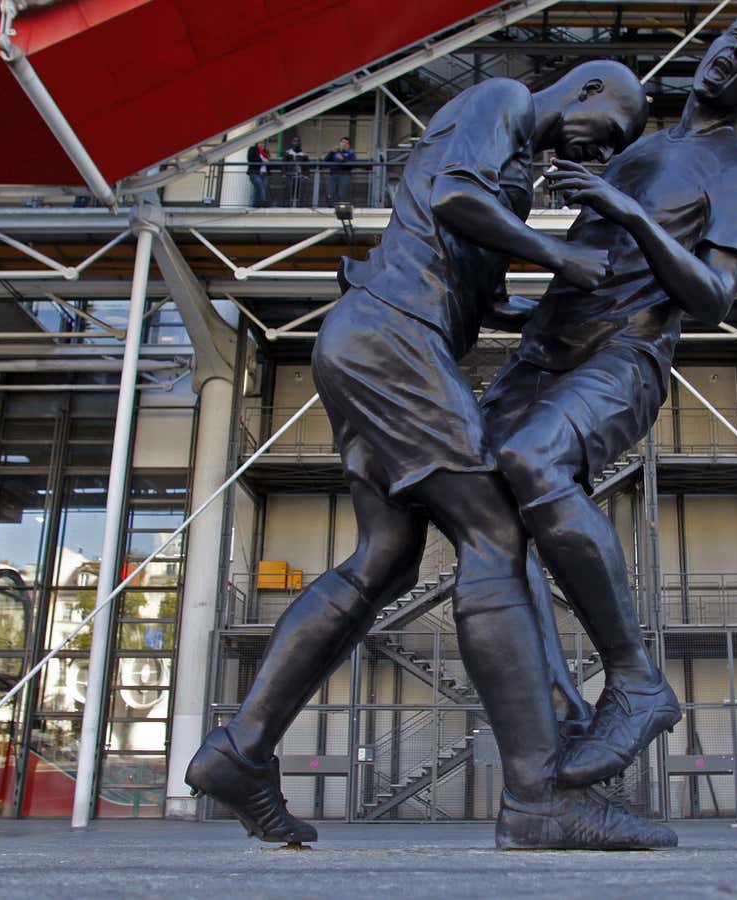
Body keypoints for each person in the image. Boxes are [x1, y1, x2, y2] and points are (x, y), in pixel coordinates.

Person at [185, 61, 659, 851]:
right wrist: (556, 253)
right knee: (496, 534)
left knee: (387, 555)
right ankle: (539, 797)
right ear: (583, 90)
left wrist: (542, 306)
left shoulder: (516, 163)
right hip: (394, 338)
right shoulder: (503, 98)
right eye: (605, 129)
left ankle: (243, 749)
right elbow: (452, 197)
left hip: (375, 339)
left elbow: (464, 260)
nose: (598, 149)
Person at [483, 10, 737, 789]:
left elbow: (717, 295)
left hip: (627, 357)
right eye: (736, 40)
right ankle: (557, 702)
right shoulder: (645, 145)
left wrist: (625, 210)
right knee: (478, 511)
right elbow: (589, 269)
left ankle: (634, 678)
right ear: (714, 47)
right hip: (543, 351)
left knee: (530, 458)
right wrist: (503, 311)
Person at [323, 136, 357, 204]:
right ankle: (330, 208)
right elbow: (326, 160)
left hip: (344, 175)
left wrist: (343, 159)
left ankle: (341, 210)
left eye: (346, 143)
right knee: (330, 193)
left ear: (349, 146)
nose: (344, 144)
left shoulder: (351, 154)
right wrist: (331, 152)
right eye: (343, 142)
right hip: (332, 175)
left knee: (342, 194)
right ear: (339, 143)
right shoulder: (334, 152)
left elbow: (353, 164)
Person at [282, 135, 310, 207]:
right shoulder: (287, 153)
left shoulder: (304, 154)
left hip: (300, 175)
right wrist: (284, 173)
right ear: (292, 142)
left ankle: (301, 204)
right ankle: (286, 204)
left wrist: (306, 175)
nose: (296, 143)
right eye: (294, 141)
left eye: (298, 141)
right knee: (288, 189)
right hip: (289, 174)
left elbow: (307, 166)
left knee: (300, 190)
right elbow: (283, 164)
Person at [246, 140, 270, 208]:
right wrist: (262, 161)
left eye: (263, 143)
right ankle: (263, 202)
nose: (262, 144)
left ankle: (255, 204)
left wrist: (268, 162)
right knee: (260, 187)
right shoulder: (252, 149)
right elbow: (250, 159)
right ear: (257, 143)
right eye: (261, 143)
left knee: (259, 189)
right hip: (254, 172)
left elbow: (268, 162)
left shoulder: (266, 152)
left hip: (264, 173)